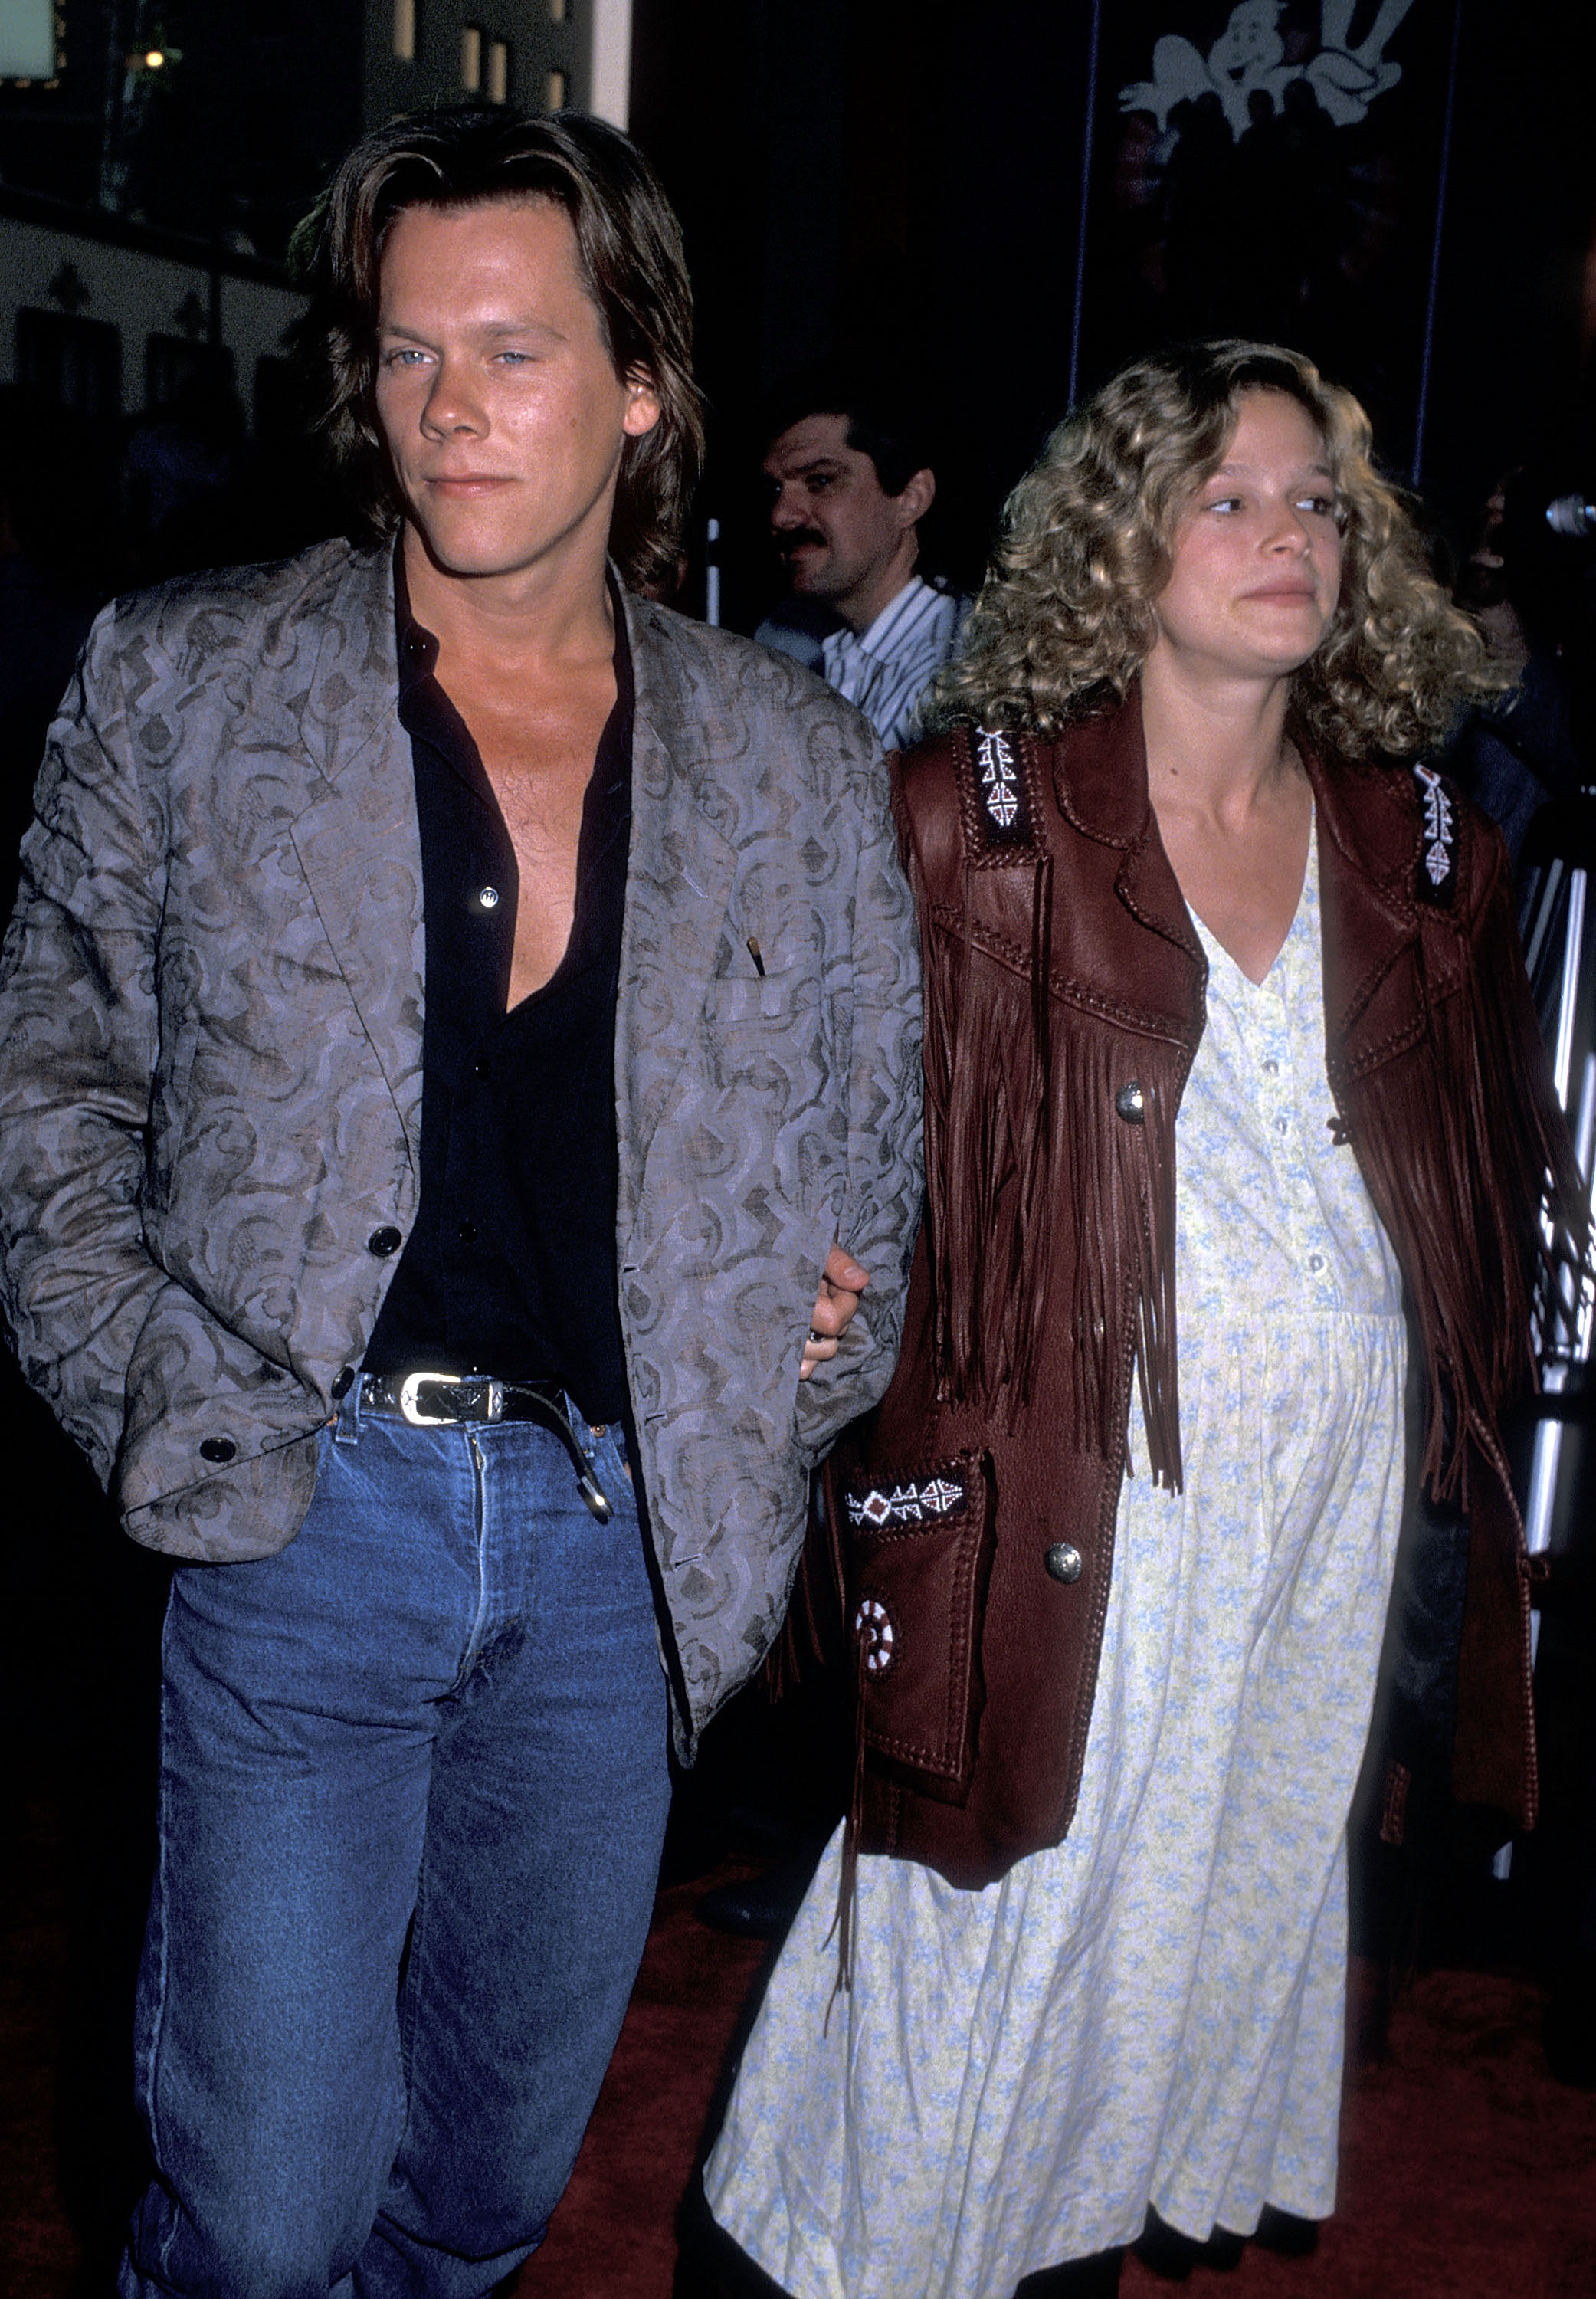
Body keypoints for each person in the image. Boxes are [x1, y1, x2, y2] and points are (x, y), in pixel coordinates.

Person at [0, 107, 923, 2299]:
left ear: (637, 387)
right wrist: (166, 1395)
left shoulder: (783, 758)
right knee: (265, 2211)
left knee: (483, 2202)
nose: (448, 409)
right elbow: (50, 1096)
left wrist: (816, 1336)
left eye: (512, 353)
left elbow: (864, 1141)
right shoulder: (189, 680)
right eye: (411, 355)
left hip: (625, 1554)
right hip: (307, 1508)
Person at [693, 341, 1583, 2298]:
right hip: (1064, 1515)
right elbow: (800, 1107)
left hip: (1311, 1543)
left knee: (1164, 1980)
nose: (1291, 537)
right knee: (959, 1972)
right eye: (1233, 497)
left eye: (1322, 503)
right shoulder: (968, 820)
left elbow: (1468, 1180)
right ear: (1120, 539)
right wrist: (819, 1269)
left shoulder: (1423, 847)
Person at [758, 377, 965, 749]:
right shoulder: (794, 649)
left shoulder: (959, 677)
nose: (781, 516)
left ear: (910, 499)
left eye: (820, 481)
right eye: (776, 490)